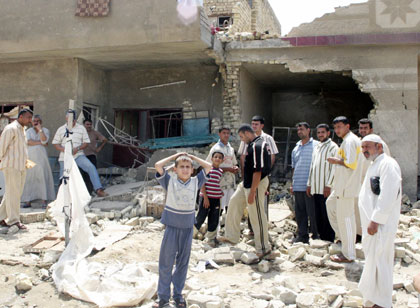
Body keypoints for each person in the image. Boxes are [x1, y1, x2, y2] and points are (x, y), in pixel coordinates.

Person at [154, 152, 211, 308]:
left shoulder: (196, 182)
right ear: (175, 169)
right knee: (166, 262)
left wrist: (192, 158)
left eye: (188, 167)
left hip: (187, 228)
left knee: (182, 263)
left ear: (192, 170)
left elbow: (209, 166)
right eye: (182, 167)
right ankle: (163, 297)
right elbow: (158, 166)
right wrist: (175, 156)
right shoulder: (169, 181)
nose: (185, 170)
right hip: (171, 227)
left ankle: (178, 295)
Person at [358, 134, 402, 308]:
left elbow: (388, 195)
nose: (364, 150)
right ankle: (373, 299)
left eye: (367, 146)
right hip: (373, 226)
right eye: (362, 147)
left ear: (379, 147)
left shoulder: (388, 164)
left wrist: (375, 220)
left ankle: (383, 302)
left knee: (381, 262)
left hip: (380, 226)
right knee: (373, 262)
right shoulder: (374, 165)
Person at [218, 124, 271, 258]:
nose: (241, 139)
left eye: (242, 136)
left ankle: (264, 247)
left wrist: (253, 192)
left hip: (256, 183)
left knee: (256, 215)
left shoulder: (257, 146)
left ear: (247, 133)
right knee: (234, 203)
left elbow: (258, 171)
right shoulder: (252, 145)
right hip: (246, 183)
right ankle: (231, 236)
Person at [327, 116, 362, 263]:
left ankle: (349, 254)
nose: (337, 130)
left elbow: (351, 164)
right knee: (330, 205)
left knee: (347, 219)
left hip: (347, 188)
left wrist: (335, 161)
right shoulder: (347, 141)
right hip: (340, 187)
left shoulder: (350, 141)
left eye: (339, 127)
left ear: (347, 126)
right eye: (335, 128)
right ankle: (343, 238)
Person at [52, 110, 108, 197]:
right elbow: (56, 144)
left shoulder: (81, 128)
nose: (72, 121)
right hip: (64, 157)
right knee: (63, 177)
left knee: (91, 167)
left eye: (73, 119)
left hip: (78, 155)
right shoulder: (61, 129)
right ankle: (60, 198)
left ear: (75, 119)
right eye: (69, 119)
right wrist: (65, 150)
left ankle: (99, 189)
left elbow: (86, 143)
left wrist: (77, 148)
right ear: (66, 118)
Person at [238, 115, 278, 229]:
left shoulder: (268, 139)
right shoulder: (245, 139)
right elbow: (242, 157)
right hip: (249, 176)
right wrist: (244, 174)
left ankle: (263, 227)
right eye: (253, 124)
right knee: (250, 202)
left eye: (256, 124)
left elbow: (272, 157)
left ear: (262, 125)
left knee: (262, 202)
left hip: (262, 176)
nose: (254, 126)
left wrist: (265, 172)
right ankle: (252, 228)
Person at [0, 109, 33, 230]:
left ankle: (1, 217)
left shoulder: (22, 130)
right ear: (21, 117)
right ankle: (13, 221)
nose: (30, 121)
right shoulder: (11, 129)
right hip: (11, 165)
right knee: (13, 193)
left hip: (21, 165)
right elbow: (2, 146)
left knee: (13, 193)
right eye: (28, 118)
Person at [306, 123, 338, 242]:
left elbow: (334, 168)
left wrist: (328, 185)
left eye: (322, 132)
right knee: (317, 214)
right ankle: (321, 238)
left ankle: (329, 239)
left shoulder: (333, 147)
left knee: (327, 215)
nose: (320, 134)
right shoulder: (317, 146)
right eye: (318, 132)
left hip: (325, 188)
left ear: (328, 133)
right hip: (316, 187)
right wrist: (309, 184)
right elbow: (312, 167)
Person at [290, 122, 319, 243]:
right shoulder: (295, 148)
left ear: (308, 130)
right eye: (298, 130)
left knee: (313, 213)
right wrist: (292, 184)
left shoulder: (316, 146)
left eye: (301, 129)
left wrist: (313, 183)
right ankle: (302, 236)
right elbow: (293, 167)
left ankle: (316, 236)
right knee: (300, 213)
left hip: (310, 186)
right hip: (298, 186)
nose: (299, 132)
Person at [21, 115, 55, 208]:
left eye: (38, 121)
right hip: (30, 157)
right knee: (29, 178)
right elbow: (28, 142)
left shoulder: (45, 130)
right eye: (34, 121)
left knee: (42, 177)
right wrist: (40, 143)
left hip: (41, 157)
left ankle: (44, 200)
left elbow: (44, 140)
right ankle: (27, 200)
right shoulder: (28, 131)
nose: (35, 122)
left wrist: (40, 130)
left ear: (41, 122)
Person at [194, 151, 224, 247]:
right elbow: (202, 184)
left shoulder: (220, 172)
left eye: (220, 157)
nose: (217, 159)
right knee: (201, 216)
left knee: (214, 218)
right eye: (215, 157)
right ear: (211, 159)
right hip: (205, 198)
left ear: (222, 160)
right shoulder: (208, 170)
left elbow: (218, 184)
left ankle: (211, 238)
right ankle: (191, 234)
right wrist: (206, 198)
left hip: (216, 199)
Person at [206, 126, 238, 213]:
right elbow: (209, 165)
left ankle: (227, 224)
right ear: (219, 134)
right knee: (220, 206)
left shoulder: (230, 149)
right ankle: (217, 225)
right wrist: (227, 169)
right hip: (219, 182)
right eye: (224, 133)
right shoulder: (215, 149)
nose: (226, 135)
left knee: (230, 205)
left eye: (228, 133)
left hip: (230, 182)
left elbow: (234, 162)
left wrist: (235, 168)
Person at [82, 119, 108, 193]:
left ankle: (91, 191)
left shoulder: (94, 133)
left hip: (91, 155)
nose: (89, 126)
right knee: (81, 174)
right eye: (87, 124)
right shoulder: (80, 132)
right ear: (84, 125)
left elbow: (105, 140)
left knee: (91, 173)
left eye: (90, 124)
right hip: (81, 156)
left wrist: (99, 148)